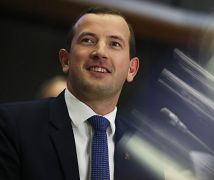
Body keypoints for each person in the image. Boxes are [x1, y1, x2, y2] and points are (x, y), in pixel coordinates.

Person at [0, 7, 162, 180]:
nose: (100, 52)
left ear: (132, 69)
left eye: (114, 44)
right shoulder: (12, 125)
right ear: (65, 60)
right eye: (88, 40)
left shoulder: (147, 151)